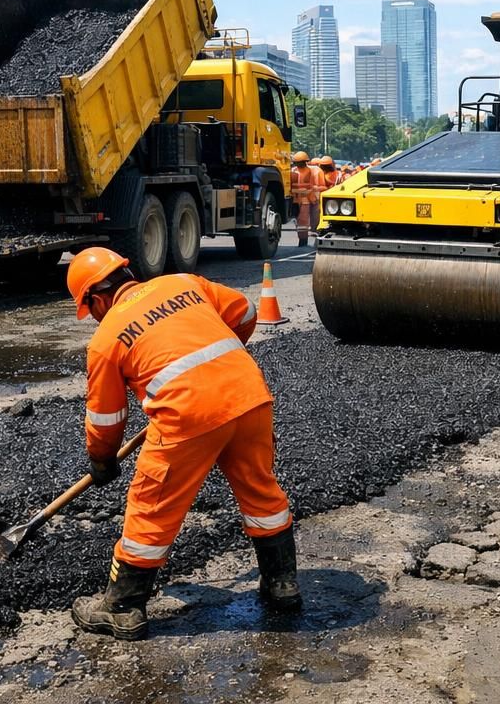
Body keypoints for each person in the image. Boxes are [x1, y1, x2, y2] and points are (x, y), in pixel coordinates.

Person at [66, 248, 299, 641]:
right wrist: (217, 356)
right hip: (248, 395)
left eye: (90, 309)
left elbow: (106, 417)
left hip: (188, 416)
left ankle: (122, 608)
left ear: (98, 297)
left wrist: (102, 459)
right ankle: (283, 585)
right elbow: (243, 312)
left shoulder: (106, 339)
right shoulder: (183, 282)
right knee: (260, 490)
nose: (93, 318)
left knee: (152, 505)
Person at [290, 151, 319, 247]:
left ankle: (303, 241)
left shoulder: (309, 172)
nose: (300, 164)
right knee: (299, 221)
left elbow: (311, 186)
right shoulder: (293, 171)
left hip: (305, 199)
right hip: (295, 199)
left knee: (303, 221)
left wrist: (312, 197)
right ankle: (302, 239)